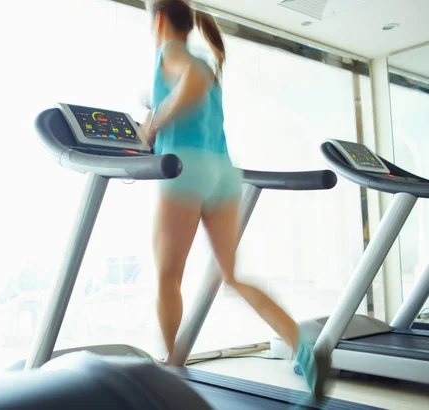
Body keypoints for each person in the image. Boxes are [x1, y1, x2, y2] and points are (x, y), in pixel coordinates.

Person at [139, 0, 328, 399]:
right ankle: (300, 343)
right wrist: (151, 122)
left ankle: (170, 369)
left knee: (168, 276)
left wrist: (152, 125)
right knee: (231, 277)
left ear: (157, 19)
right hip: (223, 174)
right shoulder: (207, 61)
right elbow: (193, 88)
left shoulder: (169, 54)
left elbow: (186, 85)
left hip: (184, 171)